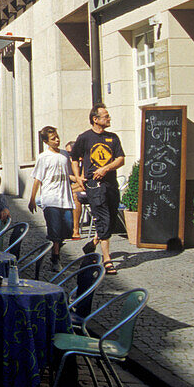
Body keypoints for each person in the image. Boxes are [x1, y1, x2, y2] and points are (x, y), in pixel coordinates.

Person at [70, 104, 125, 274]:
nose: (109, 119)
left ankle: (94, 242)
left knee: (111, 219)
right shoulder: (85, 138)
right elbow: (73, 158)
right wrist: (78, 176)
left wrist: (106, 168)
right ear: (95, 119)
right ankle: (107, 260)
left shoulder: (113, 138)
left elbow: (121, 159)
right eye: (106, 116)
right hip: (94, 185)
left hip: (111, 184)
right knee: (103, 218)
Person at [29, 126, 76, 271]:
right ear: (46, 141)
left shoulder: (64, 155)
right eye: (53, 139)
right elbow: (38, 179)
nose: (57, 140)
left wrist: (80, 180)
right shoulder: (43, 157)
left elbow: (68, 174)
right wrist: (32, 199)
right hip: (50, 198)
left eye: (57, 137)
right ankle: (55, 258)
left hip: (65, 198)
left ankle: (56, 246)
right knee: (55, 229)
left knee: (68, 228)